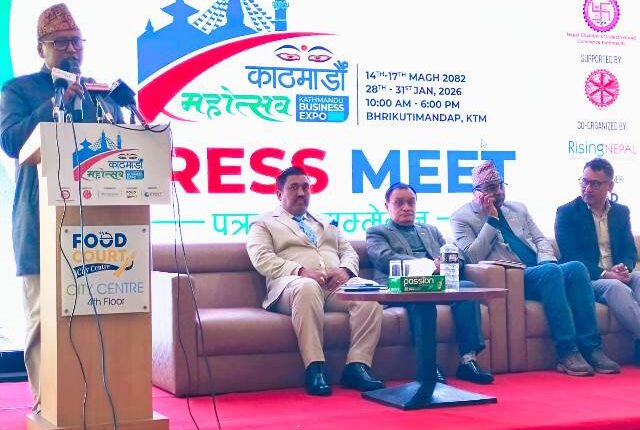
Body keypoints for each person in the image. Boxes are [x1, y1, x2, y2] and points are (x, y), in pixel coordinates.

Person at [0, 3, 122, 413]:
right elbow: (12, 142)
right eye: (61, 43)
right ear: (42, 49)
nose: (72, 49)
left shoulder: (98, 92)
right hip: (40, 220)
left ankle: (98, 400)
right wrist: (55, 99)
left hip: (99, 226)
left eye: (76, 42)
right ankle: (46, 403)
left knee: (95, 314)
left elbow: (118, 142)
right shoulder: (18, 90)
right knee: (42, 317)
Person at [450, 160, 620, 376]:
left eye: (501, 186)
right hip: (513, 276)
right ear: (477, 192)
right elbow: (472, 256)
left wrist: (547, 261)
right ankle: (567, 350)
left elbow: (540, 240)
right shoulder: (461, 218)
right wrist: (491, 219)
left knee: (576, 268)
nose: (499, 192)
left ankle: (591, 347)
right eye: (491, 188)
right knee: (552, 273)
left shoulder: (518, 208)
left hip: (541, 269)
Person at [246, 166, 385, 396]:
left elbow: (348, 252)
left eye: (305, 187)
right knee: (307, 286)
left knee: (368, 294)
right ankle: (315, 368)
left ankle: (357, 366)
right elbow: (262, 258)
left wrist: (345, 270)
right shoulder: (263, 222)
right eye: (293, 187)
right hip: (291, 287)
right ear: (279, 194)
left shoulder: (326, 221)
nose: (301, 193)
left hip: (332, 287)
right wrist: (300, 270)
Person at [366, 182, 494, 384]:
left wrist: (448, 263)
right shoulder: (377, 232)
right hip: (402, 286)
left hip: (438, 283)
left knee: (467, 288)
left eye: (411, 202)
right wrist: (429, 266)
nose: (406, 208)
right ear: (386, 206)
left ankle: (468, 361)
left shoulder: (431, 230)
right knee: (420, 299)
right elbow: (385, 259)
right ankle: (429, 366)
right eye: (399, 203)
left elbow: (458, 255)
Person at [555, 158, 640, 361]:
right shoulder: (567, 213)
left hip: (615, 273)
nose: (587, 188)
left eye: (595, 184)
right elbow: (571, 256)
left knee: (639, 278)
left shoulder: (621, 212)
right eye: (584, 181)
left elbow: (629, 250)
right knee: (615, 287)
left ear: (610, 186)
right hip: (588, 280)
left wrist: (624, 267)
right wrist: (606, 274)